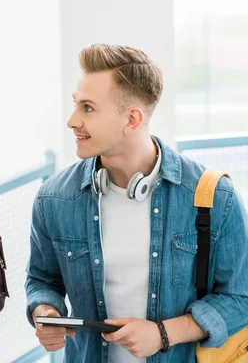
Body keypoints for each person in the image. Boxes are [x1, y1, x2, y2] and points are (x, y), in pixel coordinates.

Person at [25, 44, 248, 362]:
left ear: (131, 119)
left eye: (88, 108)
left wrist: (163, 334)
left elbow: (241, 298)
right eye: (76, 105)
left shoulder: (215, 197)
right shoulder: (54, 199)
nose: (72, 120)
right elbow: (42, 279)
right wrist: (45, 311)